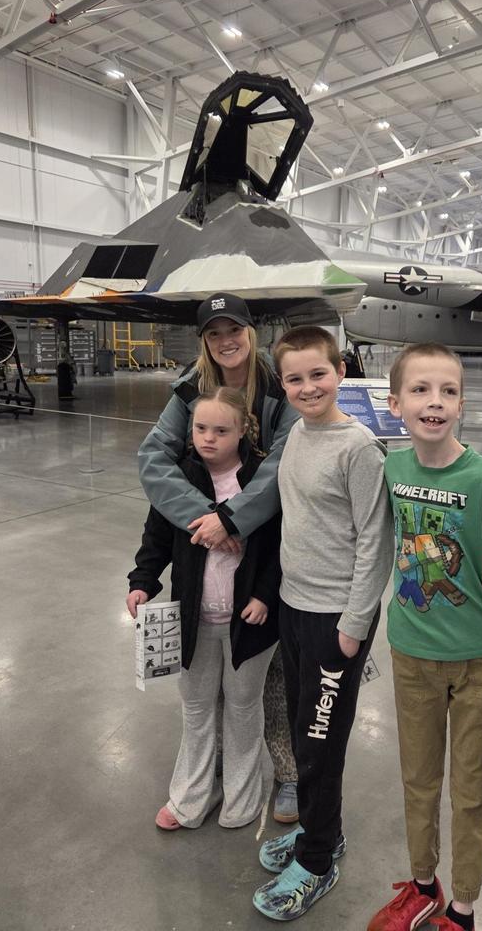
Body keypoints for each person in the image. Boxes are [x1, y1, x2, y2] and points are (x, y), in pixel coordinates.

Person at [366, 342, 482, 931]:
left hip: (478, 665)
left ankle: (461, 909)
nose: (434, 402)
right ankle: (422, 884)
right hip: (412, 654)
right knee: (418, 779)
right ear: (395, 404)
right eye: (420, 390)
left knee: (469, 792)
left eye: (447, 391)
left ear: (462, 403)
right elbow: (377, 549)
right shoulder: (392, 468)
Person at [137, 293, 300, 823]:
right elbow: (154, 463)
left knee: (264, 694)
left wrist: (236, 520)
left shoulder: (280, 386)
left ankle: (280, 781)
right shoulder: (189, 389)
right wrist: (205, 520)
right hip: (200, 592)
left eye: (235, 329)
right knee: (203, 701)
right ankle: (200, 788)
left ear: (253, 331)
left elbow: (283, 467)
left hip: (265, 572)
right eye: (213, 333)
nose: (225, 341)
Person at [252, 326, 394, 921]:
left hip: (337, 617)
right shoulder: (297, 438)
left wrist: (355, 623)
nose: (307, 386)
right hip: (294, 605)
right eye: (294, 377)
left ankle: (316, 860)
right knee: (302, 728)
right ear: (282, 384)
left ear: (340, 372)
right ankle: (319, 829)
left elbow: (376, 542)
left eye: (318, 374)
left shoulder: (358, 446)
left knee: (319, 742)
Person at [127, 387, 281, 829]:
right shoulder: (178, 477)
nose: (208, 438)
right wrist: (142, 583)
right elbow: (156, 537)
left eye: (221, 430)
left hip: (250, 624)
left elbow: (278, 546)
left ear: (243, 432)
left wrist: (263, 595)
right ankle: (191, 796)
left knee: (243, 708)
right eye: (199, 428)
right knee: (196, 711)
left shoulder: (262, 480)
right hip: (193, 619)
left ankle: (242, 795)